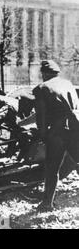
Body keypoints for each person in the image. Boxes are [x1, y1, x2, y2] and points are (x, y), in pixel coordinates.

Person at [33, 60, 79, 211]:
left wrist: (42, 136)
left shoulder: (42, 88)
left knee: (52, 169)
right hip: (75, 129)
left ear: (44, 74)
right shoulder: (68, 84)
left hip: (58, 133)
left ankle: (47, 203)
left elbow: (42, 117)